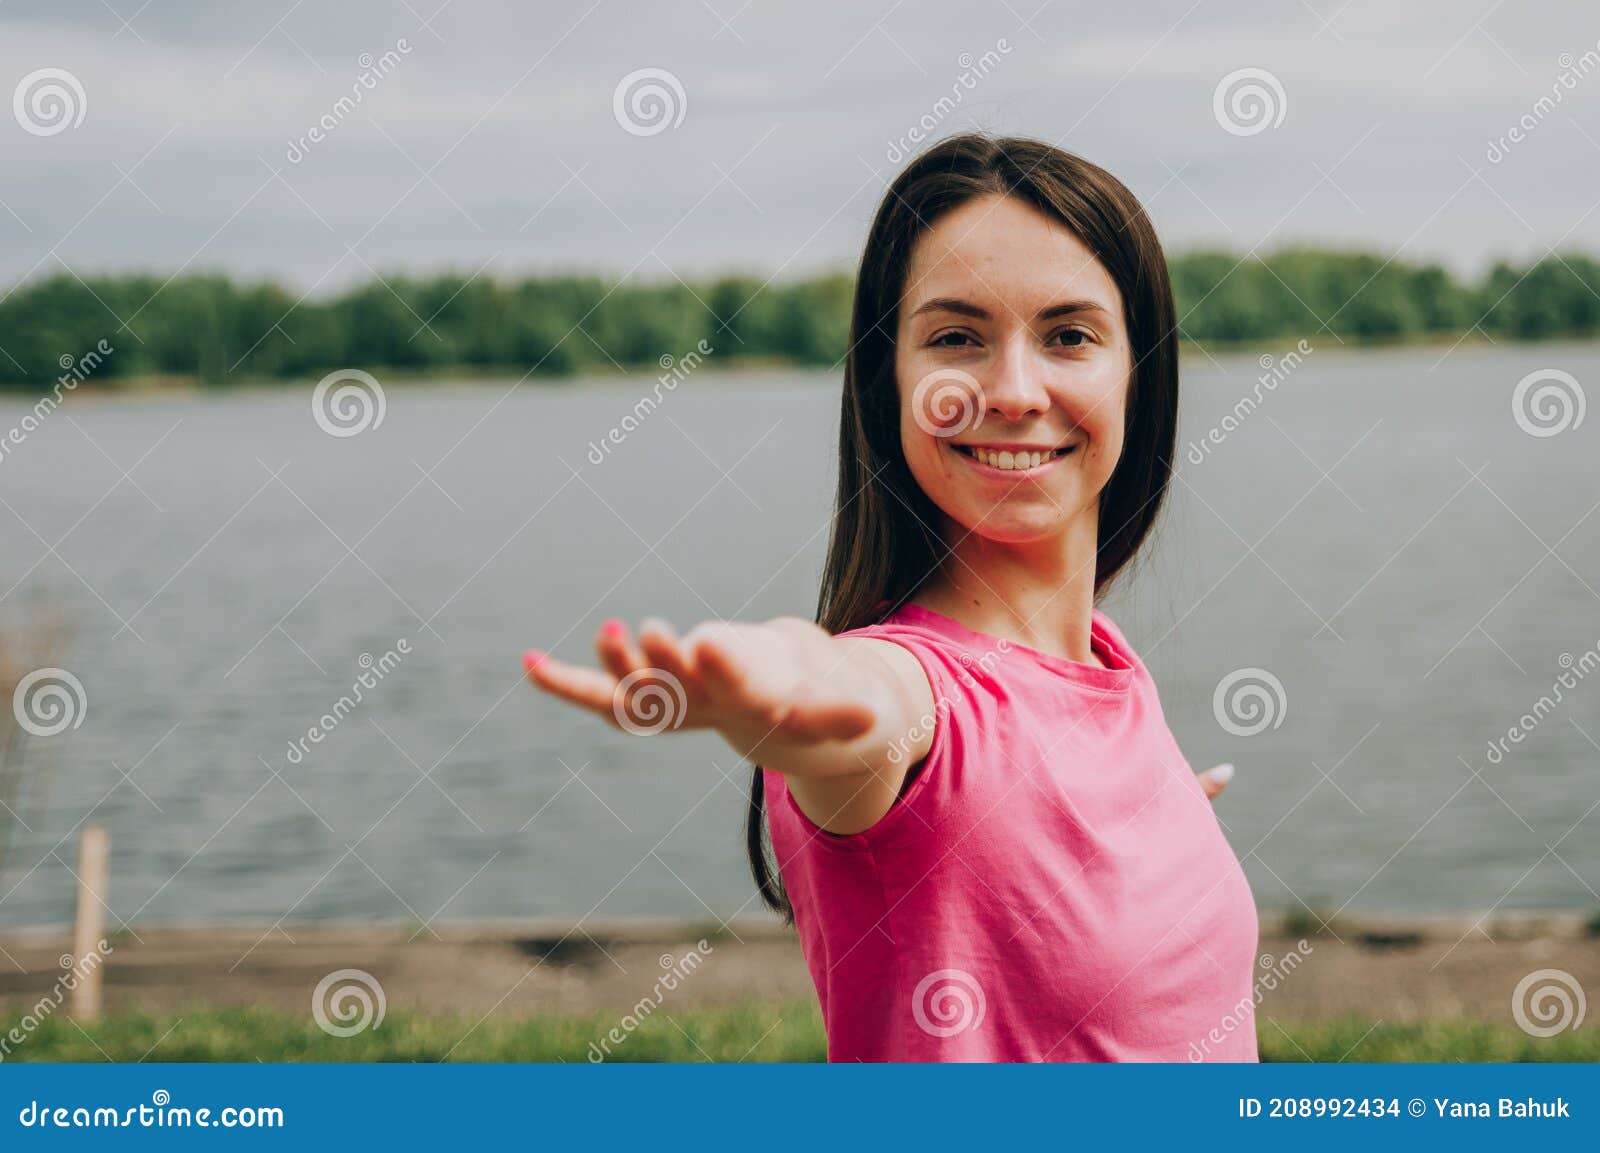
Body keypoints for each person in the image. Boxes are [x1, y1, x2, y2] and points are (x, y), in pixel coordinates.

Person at [523, 133, 1259, 1062]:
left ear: (1138, 373)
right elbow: (862, 706)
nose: (1016, 390)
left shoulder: (1102, 659)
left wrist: (1151, 829)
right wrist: (782, 684)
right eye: (957, 339)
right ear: (892, 382)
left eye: (1069, 335)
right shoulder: (910, 696)